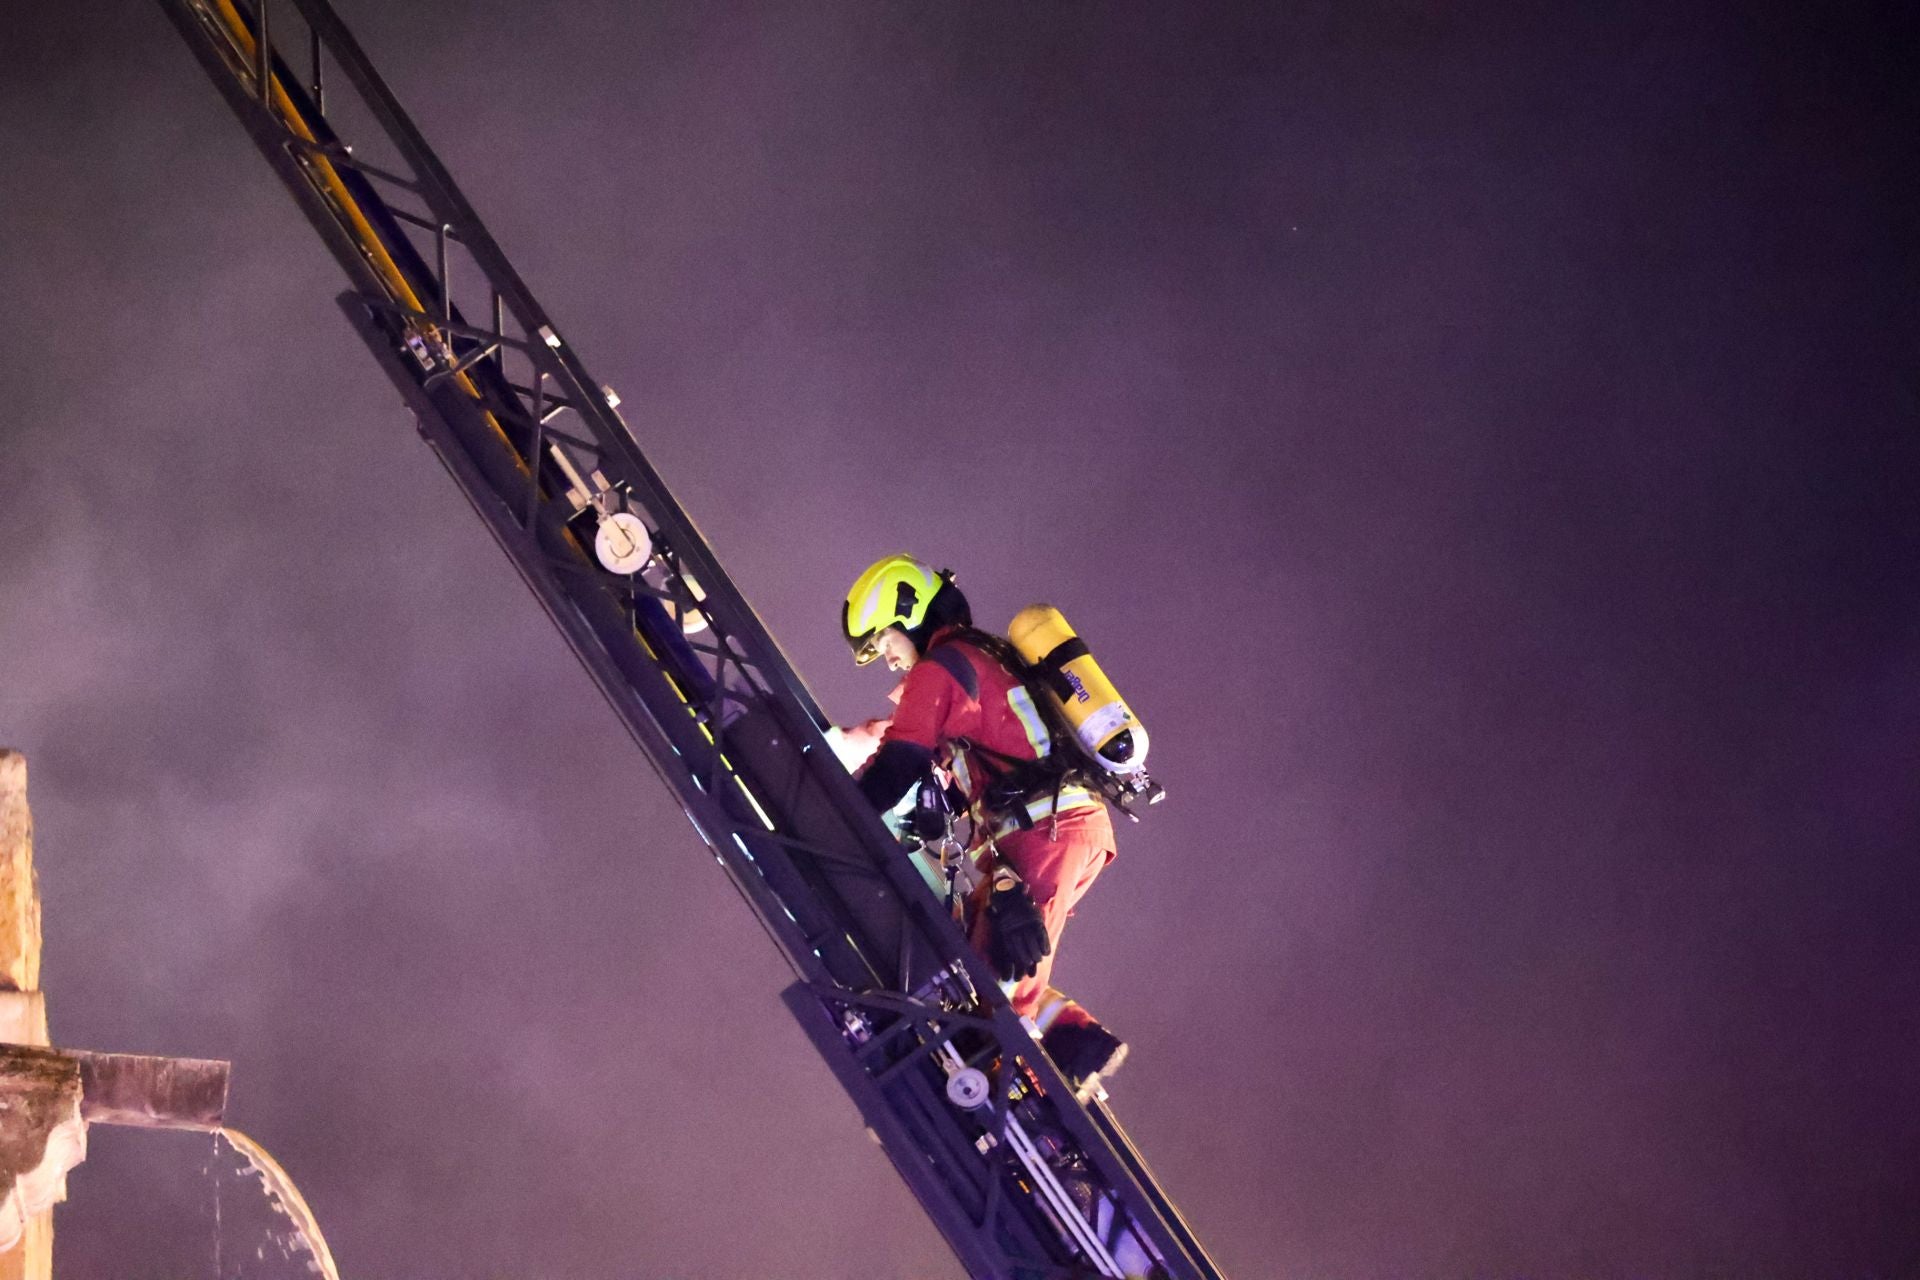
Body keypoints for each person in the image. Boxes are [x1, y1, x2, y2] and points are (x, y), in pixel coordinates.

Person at [840, 554, 1128, 1087]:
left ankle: (1010, 1105)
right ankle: (1078, 1045)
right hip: (1056, 831)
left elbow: (900, 759)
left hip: (1045, 833)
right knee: (984, 955)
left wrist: (840, 813)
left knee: (996, 994)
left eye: (885, 642)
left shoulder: (939, 668)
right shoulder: (980, 657)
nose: (889, 660)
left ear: (908, 613)